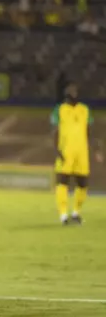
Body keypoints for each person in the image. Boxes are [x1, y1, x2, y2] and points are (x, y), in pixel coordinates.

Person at [51, 82, 103, 225]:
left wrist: (96, 149)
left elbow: (89, 131)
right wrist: (57, 150)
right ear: (66, 93)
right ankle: (63, 215)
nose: (74, 93)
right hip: (65, 151)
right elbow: (54, 132)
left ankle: (76, 213)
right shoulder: (59, 109)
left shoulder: (84, 110)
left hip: (82, 151)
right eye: (71, 91)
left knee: (83, 183)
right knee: (62, 181)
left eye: (76, 91)